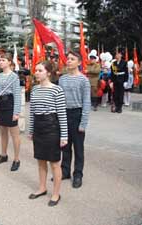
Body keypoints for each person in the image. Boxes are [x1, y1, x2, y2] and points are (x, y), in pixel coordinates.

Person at [28, 61, 68, 206]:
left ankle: (56, 193)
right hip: (38, 128)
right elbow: (32, 112)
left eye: (40, 70)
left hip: (52, 128)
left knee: (55, 164)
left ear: (48, 73)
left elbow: (62, 114)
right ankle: (42, 188)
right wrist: (31, 130)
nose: (36, 73)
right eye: (36, 70)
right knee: (40, 160)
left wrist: (64, 136)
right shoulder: (34, 90)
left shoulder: (57, 90)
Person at [58, 51, 91, 188]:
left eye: (72, 59)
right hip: (64, 114)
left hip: (77, 115)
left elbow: (86, 102)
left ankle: (78, 174)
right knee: (65, 146)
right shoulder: (62, 79)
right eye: (68, 59)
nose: (69, 61)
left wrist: (83, 123)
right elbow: (59, 99)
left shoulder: (84, 80)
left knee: (78, 148)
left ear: (79, 62)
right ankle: (65, 171)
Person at [0, 53, 21, 171]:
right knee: (3, 132)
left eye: (3, 60)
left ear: (10, 62)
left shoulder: (14, 76)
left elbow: (17, 95)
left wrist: (16, 112)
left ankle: (16, 159)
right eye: (0, 60)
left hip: (10, 104)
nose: (1, 62)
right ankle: (3, 154)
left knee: (14, 134)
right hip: (0, 105)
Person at [111, 49, 128, 113]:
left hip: (121, 80)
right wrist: (112, 81)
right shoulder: (113, 63)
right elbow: (113, 73)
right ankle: (116, 106)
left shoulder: (124, 62)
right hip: (115, 80)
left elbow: (126, 72)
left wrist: (126, 81)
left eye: (118, 54)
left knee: (121, 94)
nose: (117, 55)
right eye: (116, 54)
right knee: (115, 94)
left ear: (121, 55)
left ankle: (120, 107)